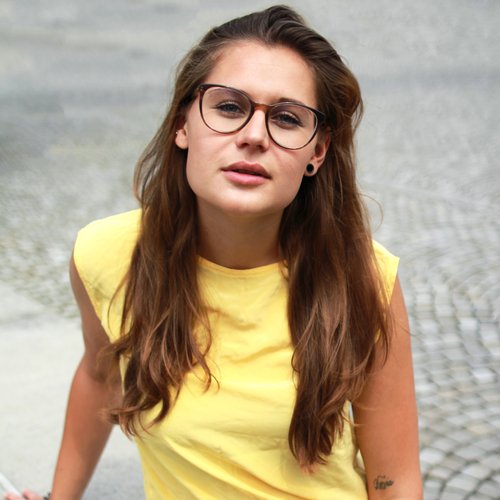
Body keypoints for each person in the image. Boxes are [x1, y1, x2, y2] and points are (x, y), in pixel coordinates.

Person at [6, 5, 422, 499]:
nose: (253, 136)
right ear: (183, 123)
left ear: (318, 151)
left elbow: (394, 480)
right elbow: (100, 377)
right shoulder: (106, 255)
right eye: (228, 107)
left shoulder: (363, 277)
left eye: (287, 118)